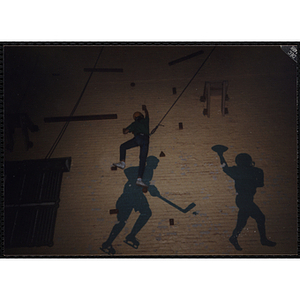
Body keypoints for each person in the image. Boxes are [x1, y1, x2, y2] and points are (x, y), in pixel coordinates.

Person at [216, 149, 276, 251]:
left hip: (243, 199)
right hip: (244, 199)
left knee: (242, 221)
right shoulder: (255, 171)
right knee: (260, 217)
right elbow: (260, 184)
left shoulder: (240, 170)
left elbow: (225, 168)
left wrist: (220, 154)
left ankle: (234, 237)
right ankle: (262, 239)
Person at [113, 105, 150, 188]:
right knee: (143, 160)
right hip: (146, 140)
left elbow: (125, 131)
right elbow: (147, 115)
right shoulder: (145, 121)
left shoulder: (134, 124)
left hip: (138, 138)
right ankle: (139, 179)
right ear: (141, 116)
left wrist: (126, 130)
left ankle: (122, 162)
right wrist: (145, 109)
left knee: (123, 146)